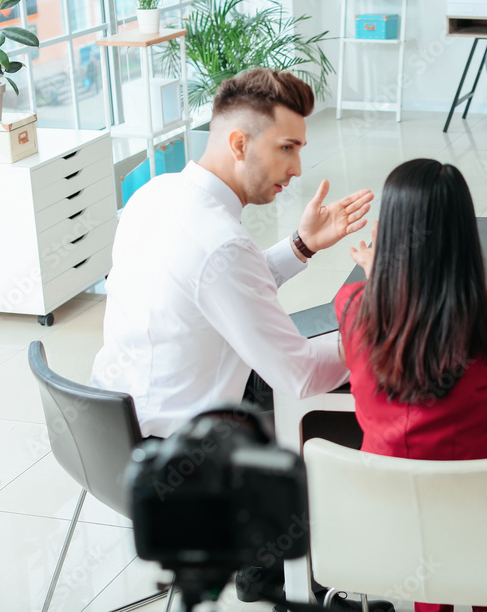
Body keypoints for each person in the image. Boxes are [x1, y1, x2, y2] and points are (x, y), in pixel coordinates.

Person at [91, 69, 373, 439]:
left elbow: (214, 288)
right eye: (286, 148)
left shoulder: (152, 194)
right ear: (239, 144)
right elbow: (300, 375)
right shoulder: (221, 242)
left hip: (106, 429)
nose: (297, 169)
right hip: (177, 455)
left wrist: (301, 245)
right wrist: (380, 332)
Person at [336, 159, 487, 612]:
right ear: (463, 233)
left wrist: (377, 271)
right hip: (476, 511)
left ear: (389, 231)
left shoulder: (352, 306)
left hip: (386, 512)